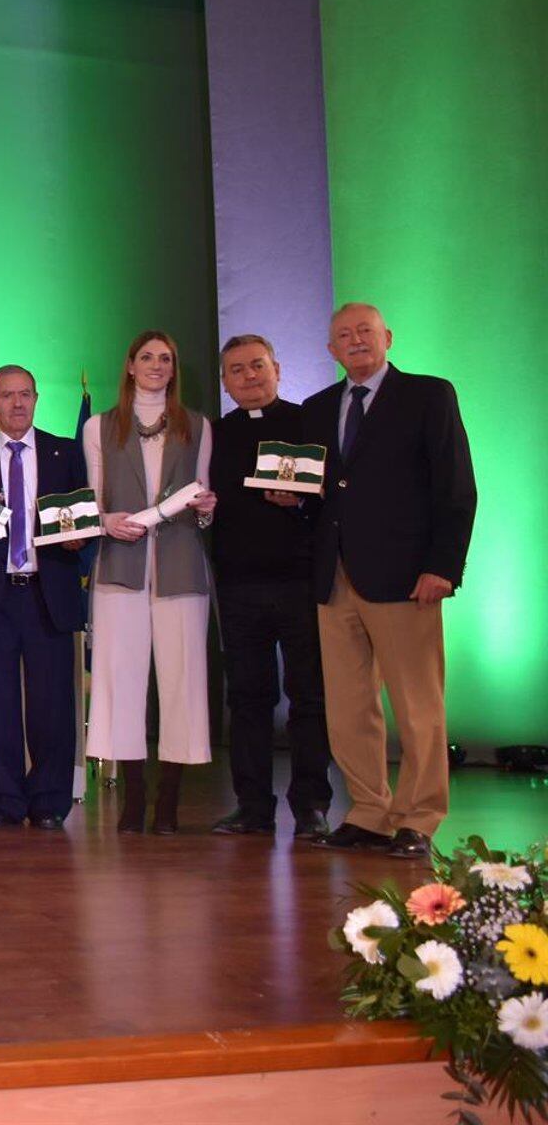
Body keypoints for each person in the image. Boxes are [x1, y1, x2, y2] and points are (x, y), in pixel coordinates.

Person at [304, 303, 475, 862]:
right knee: (349, 707)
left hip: (407, 577)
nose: (355, 341)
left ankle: (419, 817)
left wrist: (443, 566)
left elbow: (455, 486)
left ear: (388, 338)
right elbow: (324, 489)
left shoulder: (429, 395)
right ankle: (370, 812)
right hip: (336, 577)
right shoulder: (319, 406)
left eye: (365, 332)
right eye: (343, 335)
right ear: (331, 350)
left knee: (417, 705)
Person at [82, 330, 217, 834]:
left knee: (182, 682)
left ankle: (169, 803)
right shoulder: (100, 427)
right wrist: (105, 521)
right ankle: (132, 798)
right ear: (130, 365)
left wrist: (206, 510)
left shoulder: (197, 426)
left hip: (181, 569)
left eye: (167, 358)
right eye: (148, 357)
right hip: (121, 566)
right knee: (121, 680)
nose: (157, 365)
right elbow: (93, 503)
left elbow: (203, 500)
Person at [0, 365, 88, 831]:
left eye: (25, 393)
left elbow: (84, 518)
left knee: (52, 705)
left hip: (49, 593)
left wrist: (78, 539)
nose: (17, 403)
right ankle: (0, 800)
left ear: (37, 397)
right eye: (7, 396)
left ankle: (49, 801)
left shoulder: (66, 452)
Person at [209, 335, 330, 840]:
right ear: (225, 382)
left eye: (258, 366)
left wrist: (303, 500)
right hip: (238, 586)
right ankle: (253, 806)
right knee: (249, 699)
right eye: (237, 370)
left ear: (277, 369)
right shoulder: (214, 435)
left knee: (308, 698)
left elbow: (332, 502)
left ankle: (311, 807)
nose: (250, 377)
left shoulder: (310, 422)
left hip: (300, 581)